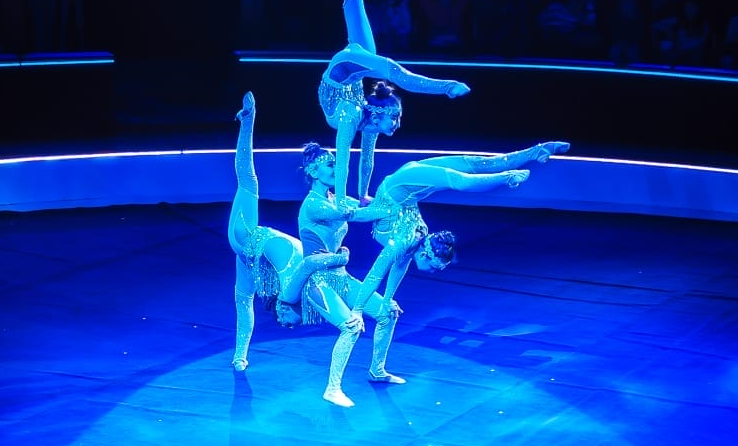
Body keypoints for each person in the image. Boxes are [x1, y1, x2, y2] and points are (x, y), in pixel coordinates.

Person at [319, 0, 470, 206]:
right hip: (347, 65)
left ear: (377, 114)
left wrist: (361, 195)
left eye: (396, 117)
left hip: (345, 80)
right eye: (396, 116)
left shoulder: (358, 119)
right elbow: (345, 162)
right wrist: (340, 201)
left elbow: (362, 160)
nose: (398, 123)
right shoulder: (358, 115)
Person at [350, 142, 571, 318]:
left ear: (426, 254)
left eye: (435, 268)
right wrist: (385, 300)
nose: (434, 272)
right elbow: (398, 266)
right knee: (475, 167)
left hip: (403, 185)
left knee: (469, 175)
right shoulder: (412, 239)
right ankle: (531, 156)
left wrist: (359, 310)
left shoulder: (404, 242)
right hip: (404, 186)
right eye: (437, 268)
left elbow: (375, 275)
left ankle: (527, 160)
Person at [227, 91, 351, 371]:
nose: (281, 319)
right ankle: (249, 121)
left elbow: (247, 303)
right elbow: (314, 261)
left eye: (279, 320)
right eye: (288, 319)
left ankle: (239, 355)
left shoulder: (285, 290)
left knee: (243, 297)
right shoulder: (296, 286)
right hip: (246, 237)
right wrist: (341, 257)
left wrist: (241, 356)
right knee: (247, 181)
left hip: (254, 256)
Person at [298, 143, 406, 408]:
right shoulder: (313, 205)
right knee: (351, 326)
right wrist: (383, 211)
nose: (337, 169)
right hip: (318, 282)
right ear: (313, 171)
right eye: (330, 165)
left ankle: (377, 370)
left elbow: (363, 205)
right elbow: (353, 214)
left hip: (341, 277)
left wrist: (394, 200)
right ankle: (332, 389)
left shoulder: (336, 197)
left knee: (387, 312)